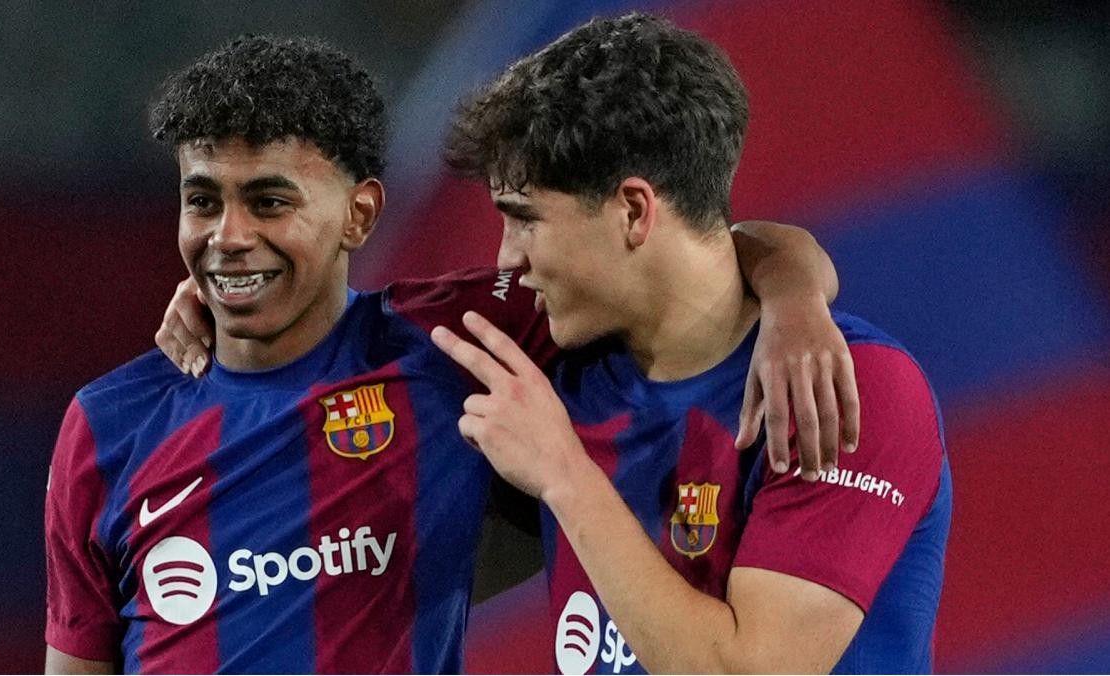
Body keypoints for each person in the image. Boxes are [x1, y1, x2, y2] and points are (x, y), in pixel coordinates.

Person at [45, 35, 854, 674]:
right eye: (202, 202)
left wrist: (793, 301)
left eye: (268, 202)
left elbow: (695, 254)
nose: (228, 236)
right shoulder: (109, 424)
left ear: (360, 216)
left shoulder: (456, 338)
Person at [430, 13, 950, 674]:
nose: (508, 259)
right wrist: (792, 281)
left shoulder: (843, 388)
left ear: (633, 211)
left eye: (525, 219)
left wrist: (563, 473)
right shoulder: (557, 356)